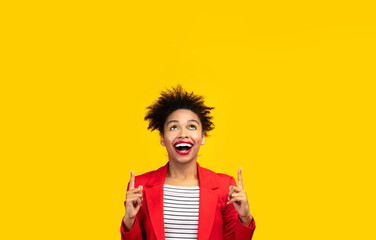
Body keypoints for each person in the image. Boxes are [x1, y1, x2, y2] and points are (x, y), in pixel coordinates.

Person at [121, 85, 255, 240]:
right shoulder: (140, 187)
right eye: (173, 127)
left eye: (192, 126)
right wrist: (129, 221)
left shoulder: (226, 187)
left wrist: (245, 218)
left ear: (203, 136)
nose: (183, 134)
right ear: (162, 138)